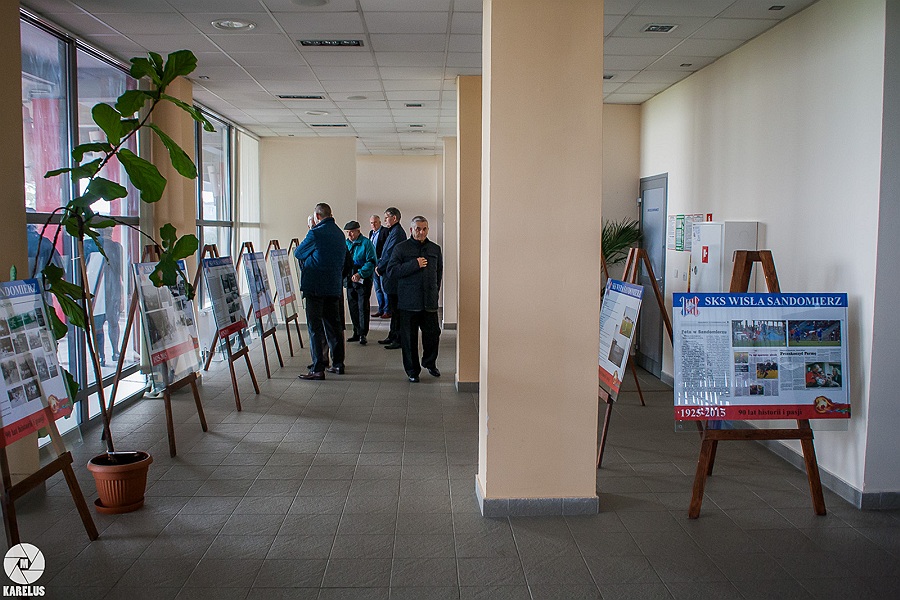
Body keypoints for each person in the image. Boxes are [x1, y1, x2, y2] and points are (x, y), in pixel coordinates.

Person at [387, 216, 443, 383]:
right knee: (409, 339)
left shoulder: (435, 249)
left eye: (424, 229)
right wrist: (414, 264)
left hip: (429, 302)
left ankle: (430, 363)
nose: (421, 232)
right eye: (418, 229)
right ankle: (412, 371)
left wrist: (435, 292)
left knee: (433, 335)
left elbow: (438, 273)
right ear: (411, 230)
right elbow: (392, 271)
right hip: (409, 303)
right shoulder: (401, 248)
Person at [294, 203, 347, 380]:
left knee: (315, 328)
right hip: (333, 287)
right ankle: (338, 364)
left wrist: (311, 229)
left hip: (315, 287)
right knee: (334, 327)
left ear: (317, 217)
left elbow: (299, 253)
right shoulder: (339, 233)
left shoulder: (315, 233)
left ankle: (318, 367)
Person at [85, 228, 123, 367]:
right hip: (102, 290)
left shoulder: (113, 247)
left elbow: (120, 271)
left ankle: (108, 354)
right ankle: (107, 354)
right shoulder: (91, 245)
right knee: (106, 324)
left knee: (106, 324)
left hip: (105, 290)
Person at [375, 207, 407, 349]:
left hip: (394, 277)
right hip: (390, 276)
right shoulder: (393, 231)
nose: (385, 220)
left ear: (394, 218)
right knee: (394, 309)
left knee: (396, 310)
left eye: (386, 217)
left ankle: (398, 338)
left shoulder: (397, 233)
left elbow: (390, 254)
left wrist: (380, 267)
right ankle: (392, 335)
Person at [344, 221, 376, 345]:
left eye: (352, 232)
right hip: (349, 279)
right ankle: (356, 331)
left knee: (363, 307)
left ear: (358, 231)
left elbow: (371, 262)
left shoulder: (366, 243)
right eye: (347, 232)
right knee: (352, 306)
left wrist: (360, 274)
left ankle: (363, 333)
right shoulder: (346, 244)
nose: (349, 234)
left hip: (363, 279)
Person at [369, 214, 388, 317]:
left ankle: (387, 310)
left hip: (381, 263)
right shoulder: (371, 233)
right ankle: (380, 309)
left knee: (384, 287)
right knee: (377, 288)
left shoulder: (385, 232)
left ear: (380, 222)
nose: (373, 224)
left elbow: (386, 249)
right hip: (373, 263)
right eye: (371, 223)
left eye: (375, 222)